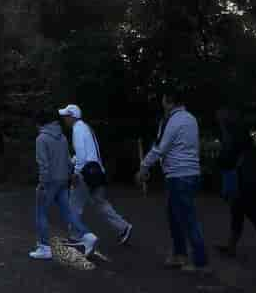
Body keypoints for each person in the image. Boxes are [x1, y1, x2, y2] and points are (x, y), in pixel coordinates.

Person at [137, 89, 209, 273]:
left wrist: (144, 166)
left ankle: (199, 261)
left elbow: (161, 147)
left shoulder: (172, 120)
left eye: (163, 100)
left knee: (187, 218)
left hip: (179, 175)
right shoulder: (191, 119)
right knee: (175, 217)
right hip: (190, 172)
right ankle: (180, 254)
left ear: (168, 101)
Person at [215, 109, 256, 265]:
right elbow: (255, 156)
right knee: (239, 213)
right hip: (250, 178)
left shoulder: (231, 137)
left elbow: (226, 159)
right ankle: (231, 246)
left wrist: (219, 162)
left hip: (242, 181)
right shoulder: (244, 136)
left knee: (253, 215)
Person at [59, 103, 133, 245]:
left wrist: (75, 172)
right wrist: (75, 160)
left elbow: (82, 155)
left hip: (85, 173)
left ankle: (75, 235)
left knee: (74, 204)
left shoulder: (77, 130)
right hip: (97, 171)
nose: (64, 120)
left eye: (66, 116)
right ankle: (123, 227)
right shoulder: (86, 128)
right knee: (100, 203)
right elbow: (89, 153)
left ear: (72, 117)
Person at [30, 110, 98, 260]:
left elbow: (43, 164)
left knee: (41, 213)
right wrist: (68, 175)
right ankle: (87, 236)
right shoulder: (62, 137)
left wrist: (42, 183)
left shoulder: (41, 139)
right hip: (63, 180)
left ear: (39, 124)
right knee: (68, 212)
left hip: (49, 182)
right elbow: (68, 160)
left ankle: (44, 247)